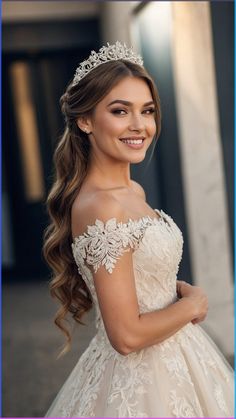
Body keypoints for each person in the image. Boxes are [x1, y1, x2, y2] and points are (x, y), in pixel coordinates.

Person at [43, 41, 233, 418]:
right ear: (85, 121)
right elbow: (126, 336)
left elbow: (143, 274)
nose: (139, 125)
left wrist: (177, 291)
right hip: (143, 383)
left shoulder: (133, 191)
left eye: (147, 111)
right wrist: (192, 305)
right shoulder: (101, 205)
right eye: (119, 111)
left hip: (182, 357)